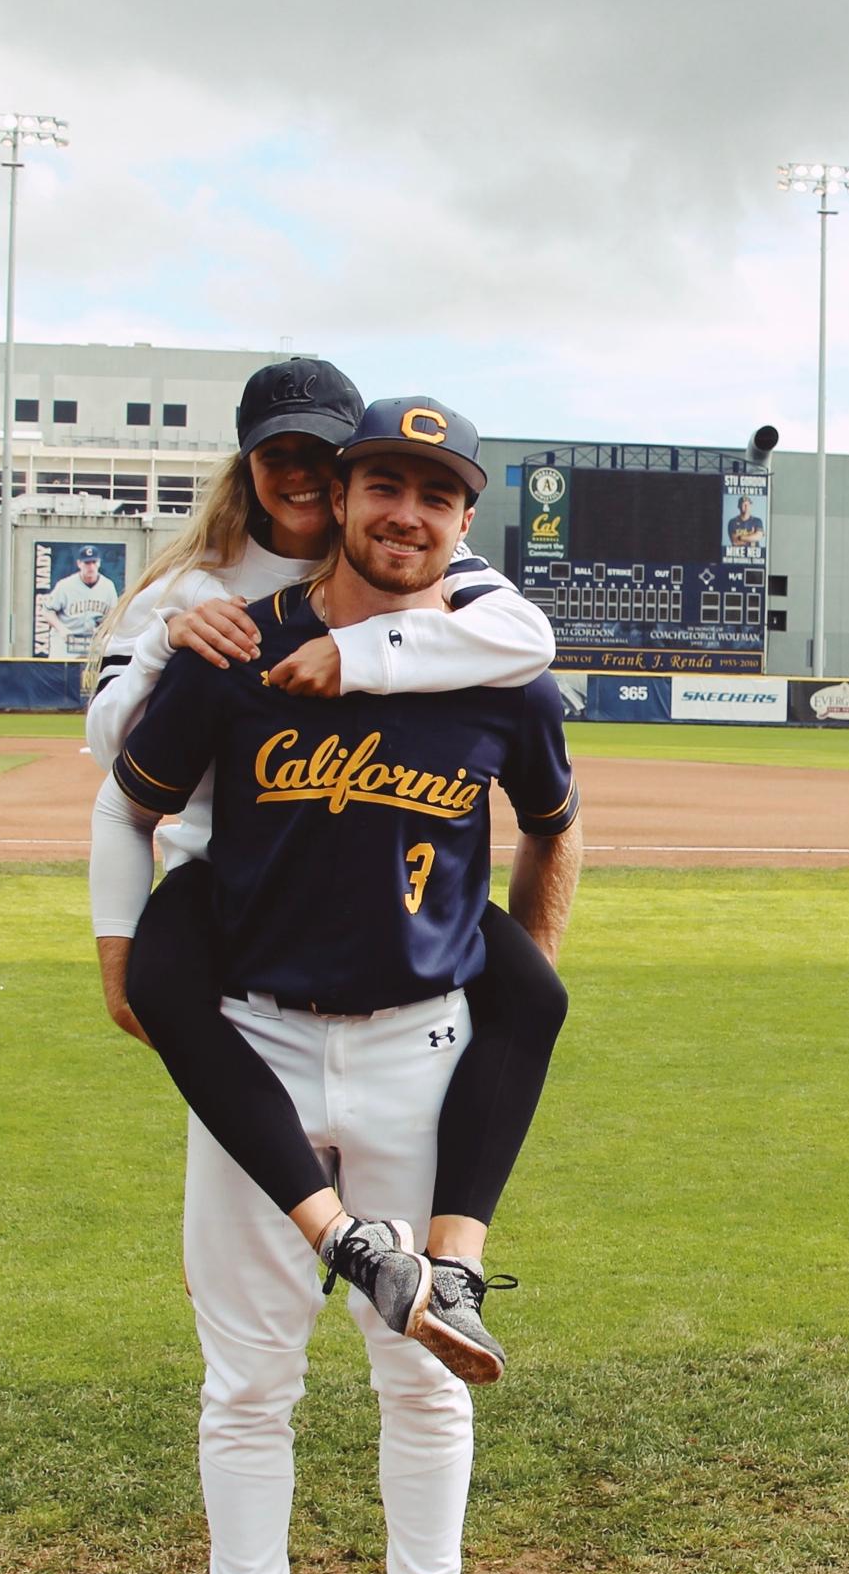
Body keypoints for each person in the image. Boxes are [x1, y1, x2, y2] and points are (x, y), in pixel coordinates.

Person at [94, 395, 582, 1574]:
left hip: (418, 1054)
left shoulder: (499, 675)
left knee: (425, 1377)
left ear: (464, 521)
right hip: (255, 1042)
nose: (406, 515)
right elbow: (130, 804)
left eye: (436, 495)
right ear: (342, 497)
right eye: (384, 486)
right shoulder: (231, 648)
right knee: (249, 1386)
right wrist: (121, 951)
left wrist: (510, 971)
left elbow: (553, 821)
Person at [87, 360, 566, 1383]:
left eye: (320, 455)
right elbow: (114, 768)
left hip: (389, 891)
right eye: (281, 459)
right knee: (162, 987)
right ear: (253, 468)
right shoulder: (201, 590)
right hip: (231, 870)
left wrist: (363, 657)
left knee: (530, 989)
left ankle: (453, 1268)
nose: (301, 478)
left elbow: (528, 642)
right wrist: (173, 650)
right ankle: (338, 1239)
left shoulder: (456, 583)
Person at [41, 545, 118, 659]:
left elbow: (113, 613)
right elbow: (47, 611)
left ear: (99, 563)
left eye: (93, 562)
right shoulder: (65, 585)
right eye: (87, 563)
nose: (91, 567)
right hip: (66, 642)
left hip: (92, 642)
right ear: (79, 564)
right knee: (61, 675)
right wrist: (61, 629)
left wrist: (105, 627)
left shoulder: (108, 586)